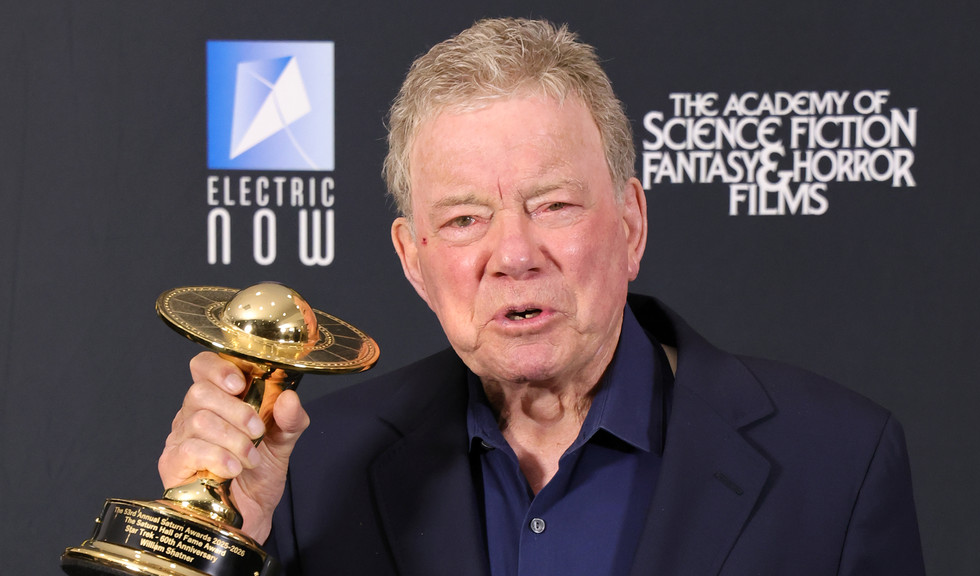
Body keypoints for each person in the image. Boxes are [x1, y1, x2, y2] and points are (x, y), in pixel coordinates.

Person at [159, 18, 926, 576]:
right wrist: (220, 544)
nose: (515, 255)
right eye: (464, 220)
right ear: (415, 262)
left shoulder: (837, 464)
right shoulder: (315, 470)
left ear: (630, 225)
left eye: (553, 204)